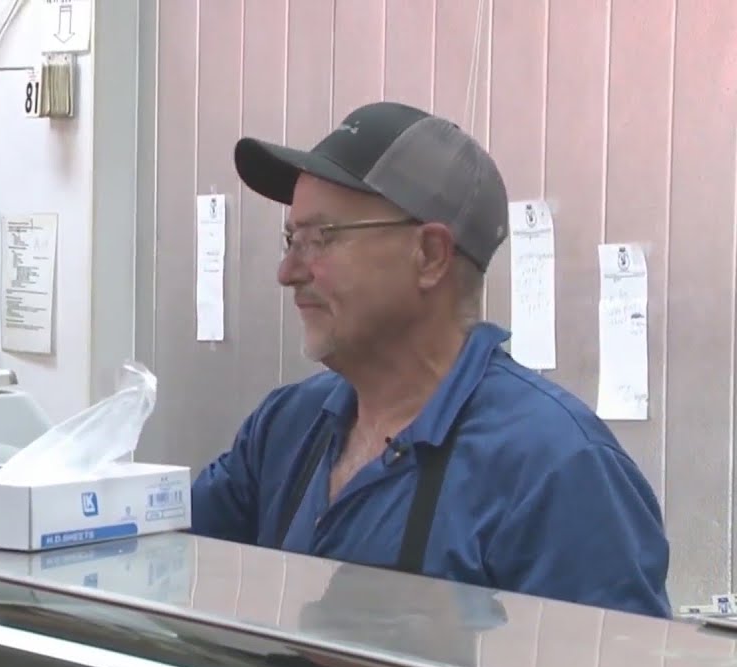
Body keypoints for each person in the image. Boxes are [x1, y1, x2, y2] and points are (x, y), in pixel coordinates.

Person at [190, 101, 671, 618]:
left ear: (430, 256)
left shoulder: (557, 469)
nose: (287, 272)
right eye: (291, 240)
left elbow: (606, 664)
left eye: (319, 239)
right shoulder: (284, 429)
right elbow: (164, 563)